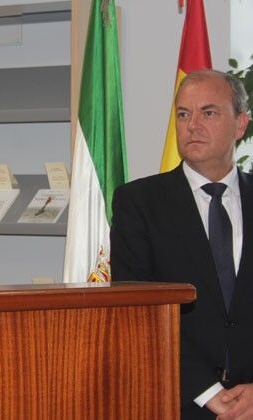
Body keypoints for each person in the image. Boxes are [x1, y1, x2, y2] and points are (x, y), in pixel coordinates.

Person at [110, 69, 253, 419]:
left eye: (209, 112)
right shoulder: (138, 202)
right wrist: (208, 393)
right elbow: (136, 310)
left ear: (240, 124)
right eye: (184, 114)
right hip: (176, 401)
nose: (192, 126)